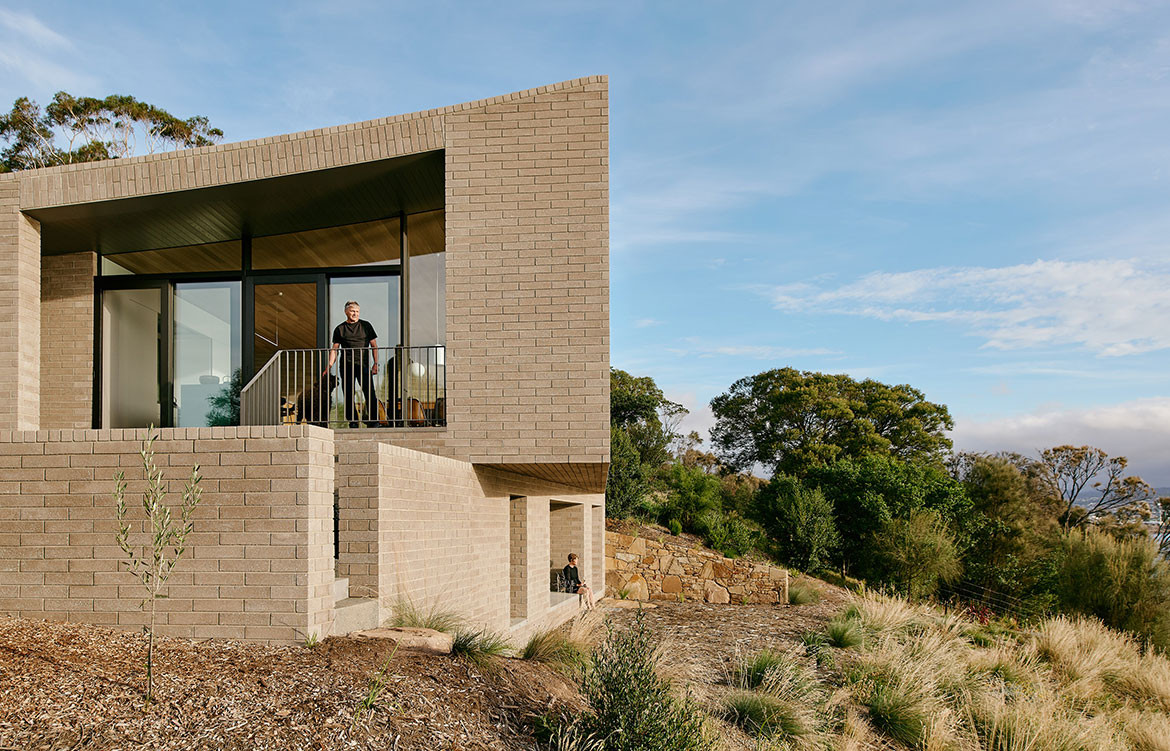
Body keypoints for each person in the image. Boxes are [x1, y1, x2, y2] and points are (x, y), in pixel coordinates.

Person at [324, 301, 379, 428]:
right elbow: (335, 349)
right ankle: (353, 421)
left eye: (357, 311)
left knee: (369, 393)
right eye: (353, 311)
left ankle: (373, 420)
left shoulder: (366, 326)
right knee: (348, 394)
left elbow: (374, 346)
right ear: (346, 312)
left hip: (363, 365)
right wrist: (329, 366)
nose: (355, 314)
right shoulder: (340, 329)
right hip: (346, 366)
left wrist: (376, 364)